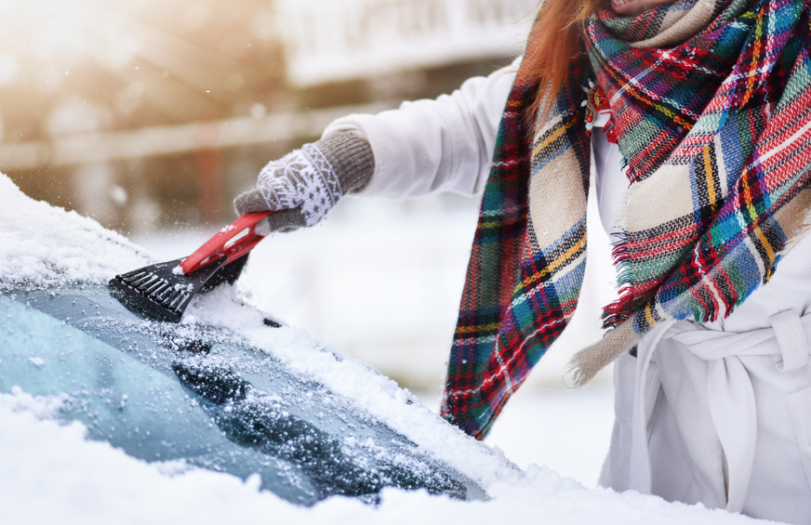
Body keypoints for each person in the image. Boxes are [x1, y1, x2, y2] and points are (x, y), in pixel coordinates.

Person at [234, 0, 811, 521]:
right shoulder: (590, 61)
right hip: (669, 425)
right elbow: (465, 127)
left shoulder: (795, 46)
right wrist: (339, 162)